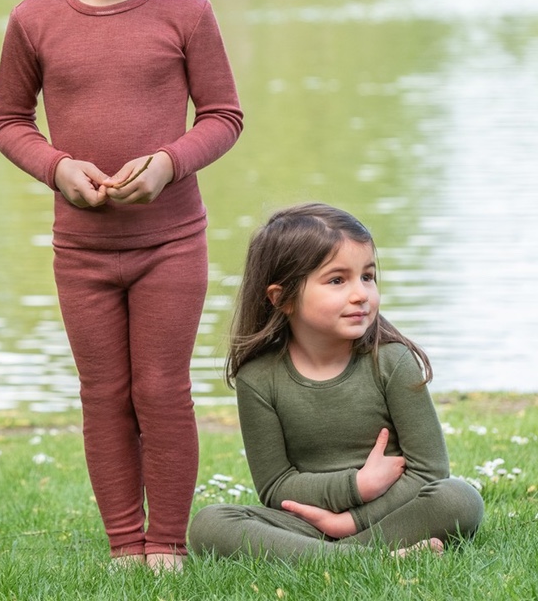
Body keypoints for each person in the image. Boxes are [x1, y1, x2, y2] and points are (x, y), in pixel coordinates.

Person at [0, 0, 243, 571]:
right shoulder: (34, 20)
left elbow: (223, 117)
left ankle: (167, 542)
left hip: (172, 245)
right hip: (82, 251)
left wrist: (170, 162)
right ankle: (124, 546)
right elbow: (8, 122)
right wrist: (56, 167)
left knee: (161, 390)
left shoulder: (186, 14)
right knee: (104, 393)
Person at [189, 203, 483, 560]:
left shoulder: (392, 361)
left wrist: (351, 521)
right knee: (211, 523)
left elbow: (429, 472)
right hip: (306, 523)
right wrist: (355, 486)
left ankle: (337, 553)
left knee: (458, 497)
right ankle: (365, 558)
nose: (361, 294)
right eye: (337, 280)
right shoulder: (259, 379)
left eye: (368, 276)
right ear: (282, 298)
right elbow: (275, 486)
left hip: (390, 513)